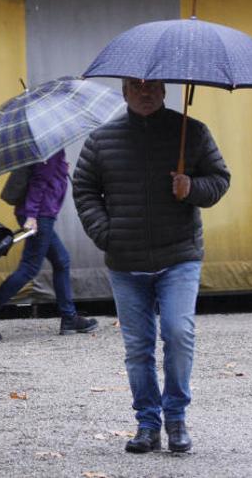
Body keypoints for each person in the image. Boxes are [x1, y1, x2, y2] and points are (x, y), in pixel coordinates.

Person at [72, 78, 230, 454]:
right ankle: (147, 423)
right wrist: (105, 233)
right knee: (138, 347)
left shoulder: (190, 132)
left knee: (177, 334)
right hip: (126, 262)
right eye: (136, 87)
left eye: (152, 86)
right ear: (124, 92)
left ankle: (176, 418)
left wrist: (191, 187)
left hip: (179, 256)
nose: (145, 93)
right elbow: (84, 188)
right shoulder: (101, 140)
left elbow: (220, 179)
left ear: (164, 90)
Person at [0, 150, 98, 342]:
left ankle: (69, 318)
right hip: (39, 215)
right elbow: (39, 181)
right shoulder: (50, 149)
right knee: (29, 268)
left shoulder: (51, 149)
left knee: (61, 260)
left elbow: (45, 176)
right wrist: (31, 216)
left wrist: (60, 170)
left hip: (40, 213)